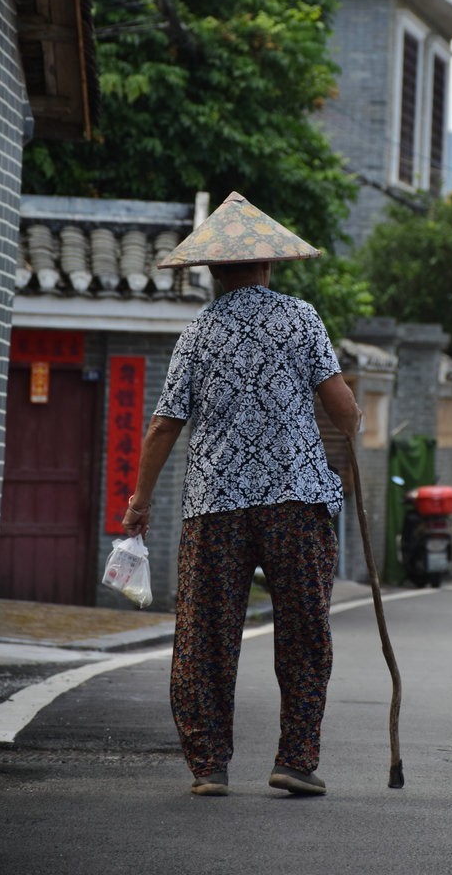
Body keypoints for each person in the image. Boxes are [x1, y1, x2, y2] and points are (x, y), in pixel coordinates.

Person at [122, 192, 361, 798]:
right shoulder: (303, 319)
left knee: (206, 635)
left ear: (212, 271)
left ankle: (208, 766)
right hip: (296, 502)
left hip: (214, 506)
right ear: (268, 265)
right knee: (305, 632)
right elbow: (343, 411)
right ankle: (295, 760)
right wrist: (350, 420)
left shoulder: (198, 331)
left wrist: (139, 503)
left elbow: (164, 425)